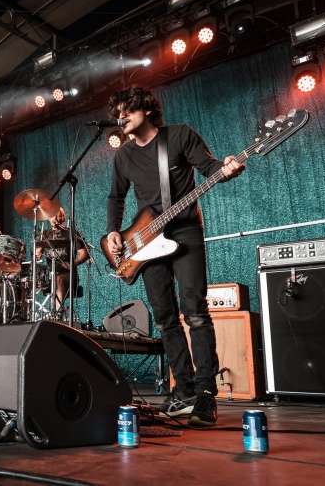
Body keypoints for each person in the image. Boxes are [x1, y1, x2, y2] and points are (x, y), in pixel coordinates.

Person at [105, 85, 245, 426]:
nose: (120, 117)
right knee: (165, 318)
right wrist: (113, 231)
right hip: (144, 243)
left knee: (194, 312)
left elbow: (210, 167)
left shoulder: (179, 136)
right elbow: (116, 197)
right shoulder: (122, 155)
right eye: (117, 112)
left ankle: (206, 394)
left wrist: (225, 169)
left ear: (148, 110)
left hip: (185, 233)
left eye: (127, 110)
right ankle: (183, 390)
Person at [35, 208, 89, 314]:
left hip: (69, 276)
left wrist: (73, 263)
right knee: (54, 279)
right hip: (51, 276)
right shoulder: (45, 234)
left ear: (63, 218)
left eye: (58, 216)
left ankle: (57, 313)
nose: (55, 218)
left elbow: (85, 254)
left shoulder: (71, 233)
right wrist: (38, 255)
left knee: (59, 279)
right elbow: (38, 255)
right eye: (52, 216)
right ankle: (54, 314)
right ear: (48, 219)